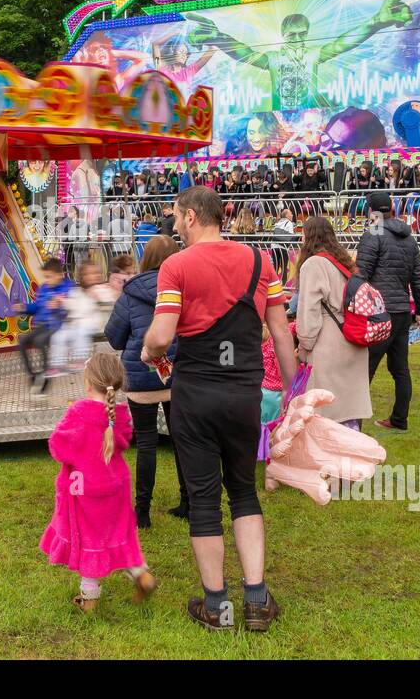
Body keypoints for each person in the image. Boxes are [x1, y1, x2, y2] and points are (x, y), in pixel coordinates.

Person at [141, 186, 294, 631]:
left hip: (195, 395)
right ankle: (256, 600)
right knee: (243, 491)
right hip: (244, 394)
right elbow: (282, 334)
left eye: (174, 217)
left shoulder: (175, 265)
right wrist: (289, 390)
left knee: (205, 499)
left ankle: (216, 606)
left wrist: (150, 350)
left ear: (190, 217)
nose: (172, 225)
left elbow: (162, 336)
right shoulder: (263, 262)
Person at [38, 352, 157, 613]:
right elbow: (122, 440)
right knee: (119, 535)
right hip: (116, 487)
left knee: (89, 542)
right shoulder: (120, 415)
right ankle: (142, 575)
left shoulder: (79, 413)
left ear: (88, 383)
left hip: (85, 490)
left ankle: (89, 599)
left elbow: (59, 447)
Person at [105, 235, 188, 528]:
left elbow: (114, 337)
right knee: (181, 440)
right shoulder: (183, 290)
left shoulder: (130, 294)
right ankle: (188, 501)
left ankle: (142, 512)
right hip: (177, 376)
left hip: (140, 377)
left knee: (147, 443)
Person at [355, 191, 420, 431]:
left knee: (365, 368)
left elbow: (361, 274)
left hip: (378, 313)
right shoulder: (409, 237)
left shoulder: (374, 233)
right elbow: (419, 278)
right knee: (400, 368)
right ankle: (399, 419)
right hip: (400, 312)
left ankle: (354, 424)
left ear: (371, 210)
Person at [293, 215, 373, 429]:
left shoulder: (313, 264)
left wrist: (304, 346)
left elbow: (308, 312)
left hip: (327, 344)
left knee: (327, 414)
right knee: (348, 409)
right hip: (351, 339)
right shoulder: (345, 264)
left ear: (308, 237)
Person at [13, 258, 72, 396]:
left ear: (59, 275)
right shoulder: (44, 288)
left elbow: (73, 307)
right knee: (22, 341)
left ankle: (46, 376)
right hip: (41, 325)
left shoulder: (67, 288)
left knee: (40, 341)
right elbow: (37, 306)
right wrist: (24, 307)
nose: (47, 280)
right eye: (45, 277)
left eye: (49, 277)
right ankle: (32, 374)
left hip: (57, 325)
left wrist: (60, 305)